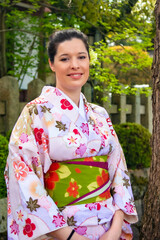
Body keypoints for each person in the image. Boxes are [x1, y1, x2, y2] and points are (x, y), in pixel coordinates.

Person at [5, 29, 138, 240]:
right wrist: (71, 237)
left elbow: (119, 172)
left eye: (81, 57)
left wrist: (115, 228)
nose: (75, 65)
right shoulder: (36, 112)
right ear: (51, 64)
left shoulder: (100, 115)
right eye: (65, 58)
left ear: (88, 61)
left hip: (109, 227)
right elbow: (23, 176)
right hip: (62, 231)